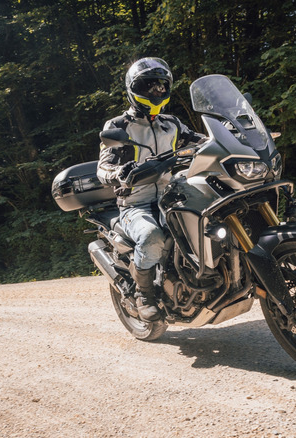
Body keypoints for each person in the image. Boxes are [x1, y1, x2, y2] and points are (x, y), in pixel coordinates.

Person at [97, 57, 207, 321]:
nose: (156, 92)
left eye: (161, 86)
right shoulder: (118, 127)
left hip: (172, 195)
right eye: (149, 86)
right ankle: (143, 295)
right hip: (135, 203)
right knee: (151, 236)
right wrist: (120, 173)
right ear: (134, 89)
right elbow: (102, 170)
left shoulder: (172, 124)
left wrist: (231, 134)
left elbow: (203, 142)